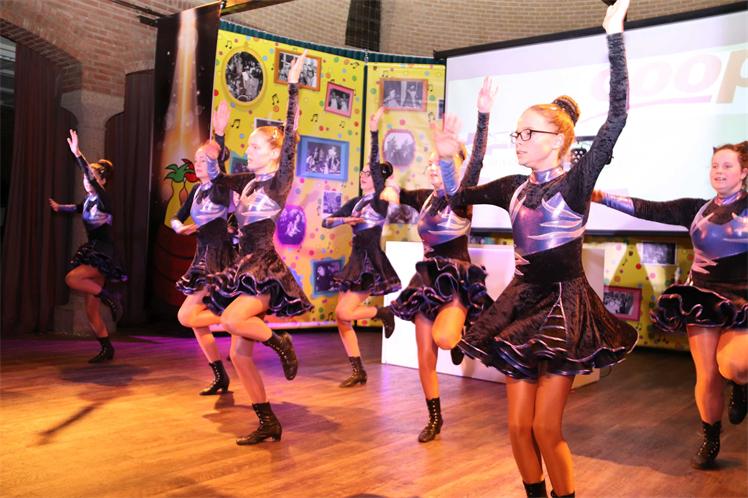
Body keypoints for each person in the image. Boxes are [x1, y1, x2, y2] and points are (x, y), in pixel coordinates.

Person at [449, 3, 635, 496]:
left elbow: (617, 117)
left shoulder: (574, 184)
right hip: (521, 302)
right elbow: (458, 197)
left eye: (528, 133)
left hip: (564, 309)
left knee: (546, 428)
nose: (520, 140)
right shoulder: (513, 186)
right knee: (517, 427)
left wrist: (614, 36)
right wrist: (479, 124)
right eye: (517, 133)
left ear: (559, 141)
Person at [592, 140, 748, 469]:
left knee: (734, 366)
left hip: (742, 299)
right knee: (707, 374)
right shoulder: (696, 209)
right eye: (715, 165)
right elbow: (650, 209)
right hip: (702, 299)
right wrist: (603, 197)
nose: (719, 171)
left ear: (744, 172)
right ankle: (710, 436)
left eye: (727, 166)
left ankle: (740, 385)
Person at [378, 77, 497, 443]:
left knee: (445, 339)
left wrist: (483, 116)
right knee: (424, 356)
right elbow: (394, 190)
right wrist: (390, 188)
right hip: (426, 281)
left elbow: (476, 159)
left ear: (455, 165)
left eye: (439, 162)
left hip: (455, 278)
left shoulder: (463, 197)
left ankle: (461, 337)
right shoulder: (425, 198)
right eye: (430, 163)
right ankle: (434, 417)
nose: (433, 168)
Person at [203, 51, 313, 446]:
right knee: (238, 355)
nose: (248, 151)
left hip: (264, 268)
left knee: (232, 319)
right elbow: (216, 182)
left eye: (254, 146)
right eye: (247, 146)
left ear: (273, 152)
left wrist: (293, 87)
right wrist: (218, 139)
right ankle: (268, 422)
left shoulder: (279, 181)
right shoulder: (247, 181)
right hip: (242, 266)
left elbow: (291, 136)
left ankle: (280, 342)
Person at [321, 106, 402, 388]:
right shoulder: (356, 202)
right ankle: (358, 371)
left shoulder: (379, 199)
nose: (363, 175)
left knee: (345, 312)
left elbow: (375, 164)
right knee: (341, 318)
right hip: (355, 260)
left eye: (368, 173)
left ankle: (384, 313)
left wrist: (373, 131)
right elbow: (326, 222)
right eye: (362, 172)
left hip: (371, 261)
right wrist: (345, 219)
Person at [170, 101, 237, 396]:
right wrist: (179, 227)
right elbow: (176, 216)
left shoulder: (221, 188)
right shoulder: (196, 191)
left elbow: (218, 162)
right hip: (201, 256)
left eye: (203, 160)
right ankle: (220, 375)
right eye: (196, 160)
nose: (198, 164)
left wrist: (219, 134)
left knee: (186, 316)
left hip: (219, 258)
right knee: (196, 321)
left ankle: (240, 320)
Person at [49, 130, 127, 363]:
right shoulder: (89, 200)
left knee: (72, 278)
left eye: (90, 177)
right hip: (93, 250)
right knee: (91, 309)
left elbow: (90, 179)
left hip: (104, 253)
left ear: (102, 181)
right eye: (85, 177)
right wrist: (59, 207)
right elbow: (76, 208)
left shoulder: (104, 199)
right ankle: (107, 348)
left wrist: (78, 154)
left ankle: (109, 296)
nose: (86, 180)